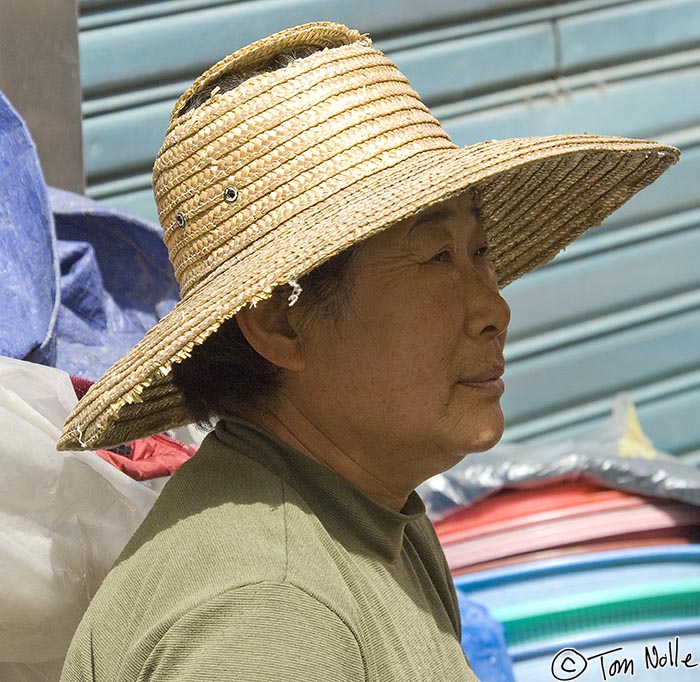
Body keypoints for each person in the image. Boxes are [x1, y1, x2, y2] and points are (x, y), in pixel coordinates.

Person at [57, 21, 678, 682]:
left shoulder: (374, 516)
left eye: (481, 254)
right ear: (280, 325)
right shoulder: (273, 610)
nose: (494, 309)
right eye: (438, 257)